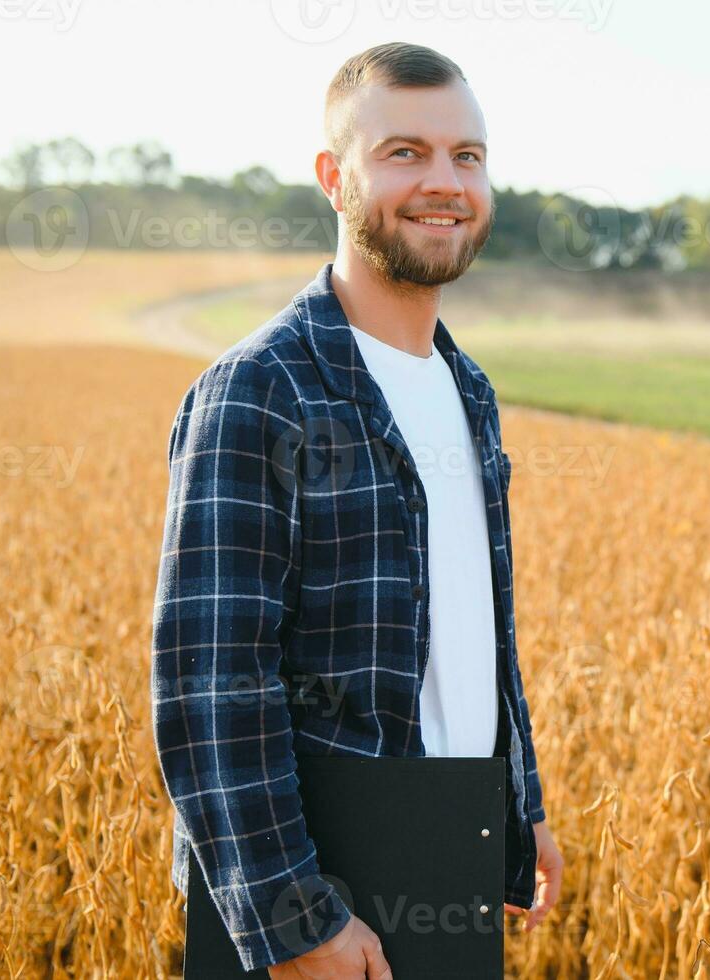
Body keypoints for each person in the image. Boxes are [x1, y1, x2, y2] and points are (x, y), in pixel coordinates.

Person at [150, 41, 562, 977]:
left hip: (451, 845)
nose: (444, 183)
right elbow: (210, 682)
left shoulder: (468, 388)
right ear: (334, 178)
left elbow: (474, 624)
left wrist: (516, 805)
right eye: (404, 153)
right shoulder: (262, 390)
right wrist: (295, 921)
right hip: (323, 881)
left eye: (467, 156)